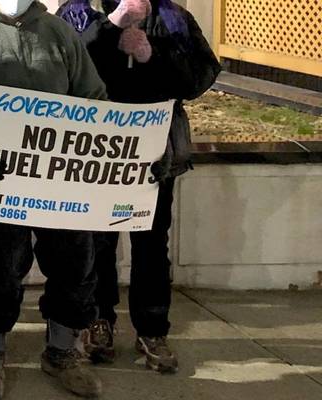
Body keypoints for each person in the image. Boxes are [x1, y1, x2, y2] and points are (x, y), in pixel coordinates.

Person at [0, 0, 109, 398]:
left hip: (61, 181)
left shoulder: (60, 34)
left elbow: (93, 96)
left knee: (74, 262)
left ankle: (62, 351)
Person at [57, 0, 220, 374]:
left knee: (151, 242)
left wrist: (153, 56)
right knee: (96, 240)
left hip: (152, 156)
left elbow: (200, 75)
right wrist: (110, 28)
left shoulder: (173, 17)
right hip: (97, 154)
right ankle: (98, 321)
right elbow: (62, 67)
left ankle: (152, 329)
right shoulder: (78, 12)